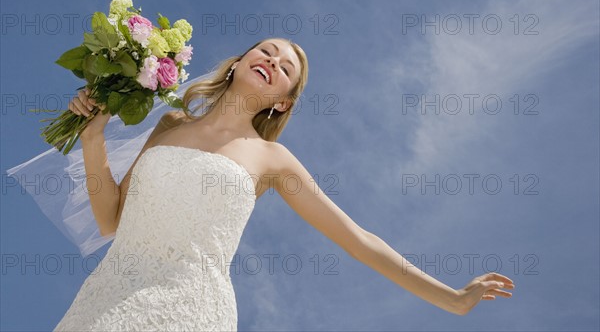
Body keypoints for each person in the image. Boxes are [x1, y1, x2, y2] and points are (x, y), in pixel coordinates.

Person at [54, 37, 515, 330]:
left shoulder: (273, 159)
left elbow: (358, 241)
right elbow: (110, 218)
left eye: (285, 69)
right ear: (238, 63)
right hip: (106, 298)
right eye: (266, 52)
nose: (272, 62)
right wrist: (92, 136)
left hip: (187, 310)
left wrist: (453, 299)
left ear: (282, 102)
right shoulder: (169, 125)